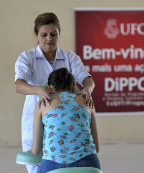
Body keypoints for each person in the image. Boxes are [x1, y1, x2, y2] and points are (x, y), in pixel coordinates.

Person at [15, 13, 95, 173]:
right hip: (35, 121)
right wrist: (38, 89)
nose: (49, 39)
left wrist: (87, 88)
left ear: (59, 34)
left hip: (65, 126)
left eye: (53, 34)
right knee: (36, 166)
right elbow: (19, 85)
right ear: (36, 35)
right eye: (43, 35)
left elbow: (87, 79)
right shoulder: (27, 57)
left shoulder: (70, 58)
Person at [31, 68, 100, 173]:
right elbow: (97, 147)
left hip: (54, 164)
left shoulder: (42, 104)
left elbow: (36, 151)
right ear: (73, 87)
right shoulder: (87, 102)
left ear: (49, 88)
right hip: (89, 164)